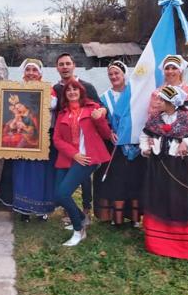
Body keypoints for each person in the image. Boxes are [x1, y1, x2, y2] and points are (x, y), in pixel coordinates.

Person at [139, 85, 188, 261]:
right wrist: (145, 148)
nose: (158, 101)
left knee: (179, 202)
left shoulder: (187, 118)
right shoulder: (156, 119)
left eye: (162, 99)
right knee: (160, 201)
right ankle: (158, 242)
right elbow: (144, 135)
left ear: (172, 102)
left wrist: (187, 143)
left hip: (179, 170)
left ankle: (182, 245)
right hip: (158, 168)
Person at [52, 79, 113, 246]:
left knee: (63, 194)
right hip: (69, 157)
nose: (72, 92)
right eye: (68, 90)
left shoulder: (93, 108)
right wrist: (73, 153)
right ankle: (81, 217)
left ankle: (79, 230)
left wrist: (100, 118)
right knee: (58, 195)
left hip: (87, 158)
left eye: (75, 89)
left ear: (80, 92)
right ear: (65, 94)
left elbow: (106, 134)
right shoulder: (62, 113)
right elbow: (56, 139)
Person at [0, 58, 57, 222]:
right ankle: (23, 209)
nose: (31, 73)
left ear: (40, 73)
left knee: (40, 176)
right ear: (24, 72)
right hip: (21, 142)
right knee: (22, 174)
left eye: (34, 70)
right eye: (28, 70)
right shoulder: (16, 89)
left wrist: (38, 94)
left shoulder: (49, 90)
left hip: (40, 142)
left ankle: (41, 209)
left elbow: (52, 105)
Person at [51, 53, 103, 226]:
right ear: (57, 67)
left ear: (74, 65)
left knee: (84, 179)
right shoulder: (56, 89)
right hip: (66, 141)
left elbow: (98, 109)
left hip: (84, 144)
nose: (64, 67)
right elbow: (56, 112)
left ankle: (85, 210)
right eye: (61, 64)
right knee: (63, 185)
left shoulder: (87, 86)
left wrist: (102, 115)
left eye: (67, 63)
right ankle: (71, 211)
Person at [94, 60, 145, 228]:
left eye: (117, 73)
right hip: (115, 146)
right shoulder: (105, 97)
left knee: (134, 180)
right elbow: (103, 120)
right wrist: (110, 133)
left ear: (124, 74)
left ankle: (135, 217)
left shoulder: (135, 94)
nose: (114, 76)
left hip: (134, 144)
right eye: (111, 74)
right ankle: (116, 218)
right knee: (117, 182)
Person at [147, 54, 188, 128]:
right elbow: (152, 120)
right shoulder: (157, 94)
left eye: (174, 68)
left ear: (180, 71)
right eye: (167, 68)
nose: (170, 71)